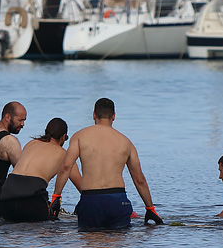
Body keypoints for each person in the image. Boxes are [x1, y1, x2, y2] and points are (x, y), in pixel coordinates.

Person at [53, 98, 163, 229]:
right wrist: (150, 208)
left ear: (94, 114)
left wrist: (56, 196)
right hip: (117, 200)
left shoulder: (80, 136)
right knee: (116, 247)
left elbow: (66, 167)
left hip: (91, 200)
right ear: (114, 116)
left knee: (92, 246)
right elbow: (139, 180)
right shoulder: (126, 142)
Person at [0, 117, 78, 222]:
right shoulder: (63, 154)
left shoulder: (30, 144)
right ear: (63, 137)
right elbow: (80, 185)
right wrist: (56, 196)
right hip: (31, 199)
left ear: (46, 132)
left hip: (6, 196)